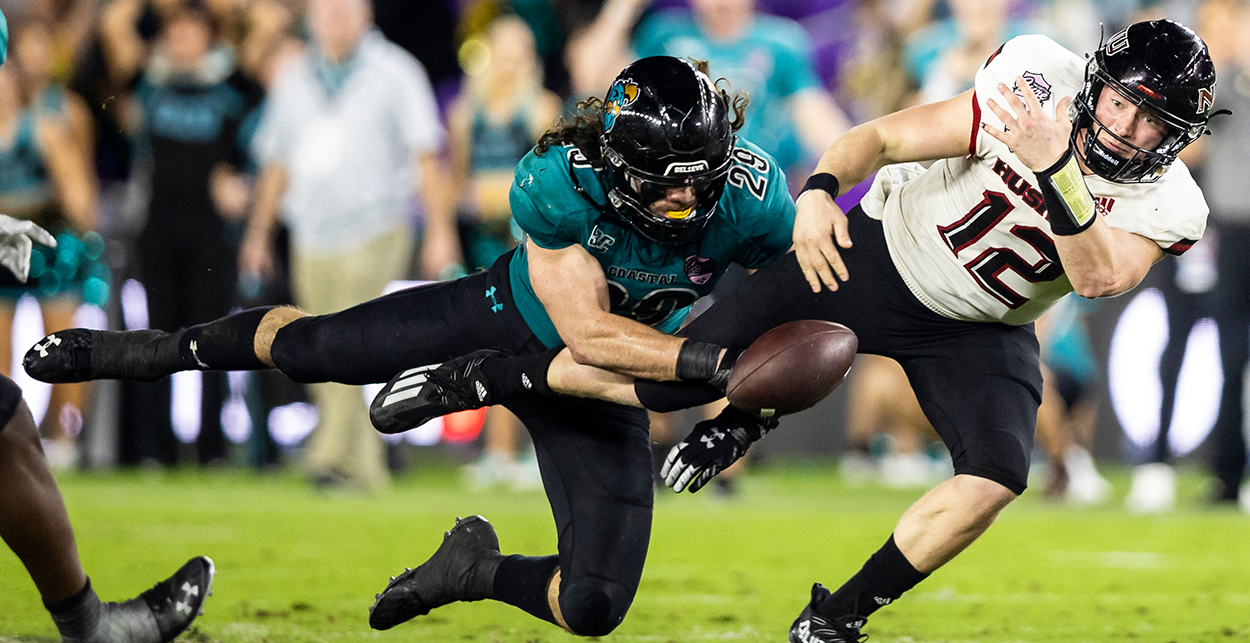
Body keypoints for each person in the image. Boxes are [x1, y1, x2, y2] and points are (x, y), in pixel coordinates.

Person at [372, 19, 1221, 642]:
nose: (1129, 131)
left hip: (986, 324)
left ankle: (838, 614)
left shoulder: (1173, 201)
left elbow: (1100, 274)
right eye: (1122, 105)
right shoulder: (1035, 78)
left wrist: (1050, 166)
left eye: (1156, 124)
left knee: (998, 474)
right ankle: (498, 375)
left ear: (1181, 138)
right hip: (884, 252)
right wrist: (819, 191)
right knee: (675, 378)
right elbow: (883, 137)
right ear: (1095, 83)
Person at [24, 56, 796, 637]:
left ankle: (473, 562)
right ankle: (142, 351)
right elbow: (588, 332)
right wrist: (722, 370)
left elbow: (800, 315)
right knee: (315, 349)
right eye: (667, 183)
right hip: (520, 320)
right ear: (619, 163)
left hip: (612, 382)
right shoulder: (562, 178)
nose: (688, 200)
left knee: (594, 604)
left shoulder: (755, 199)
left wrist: (745, 413)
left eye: (704, 180)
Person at [241, 0, 459, 491]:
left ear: (367, 15)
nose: (335, 18)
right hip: (310, 232)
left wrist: (441, 230)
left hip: (376, 226)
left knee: (342, 336)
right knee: (322, 343)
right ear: (312, 18)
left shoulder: (396, 72)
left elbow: (427, 155)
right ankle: (360, 463)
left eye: (345, 9)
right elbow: (276, 164)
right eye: (326, 10)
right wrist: (258, 234)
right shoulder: (294, 77)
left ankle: (332, 456)